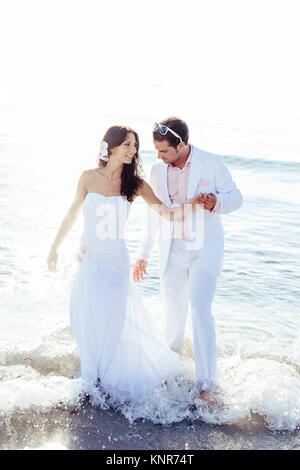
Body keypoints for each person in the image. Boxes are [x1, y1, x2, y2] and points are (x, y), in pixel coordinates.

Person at [46, 125, 203, 403]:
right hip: (90, 260)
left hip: (116, 262)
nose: (133, 151)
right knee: (85, 317)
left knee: (112, 319)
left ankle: (104, 381)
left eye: (135, 146)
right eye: (128, 145)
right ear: (111, 146)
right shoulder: (87, 178)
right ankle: (90, 378)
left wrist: (193, 205)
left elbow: (165, 213)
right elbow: (72, 214)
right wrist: (55, 248)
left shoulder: (136, 184)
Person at [133, 117, 243, 404]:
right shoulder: (158, 171)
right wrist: (143, 255)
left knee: (200, 311)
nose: (159, 157)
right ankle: (170, 371)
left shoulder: (211, 162)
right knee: (173, 314)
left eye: (164, 151)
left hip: (203, 251)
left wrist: (215, 203)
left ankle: (208, 384)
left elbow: (236, 198)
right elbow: (153, 216)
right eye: (157, 151)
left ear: (181, 144)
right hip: (171, 250)